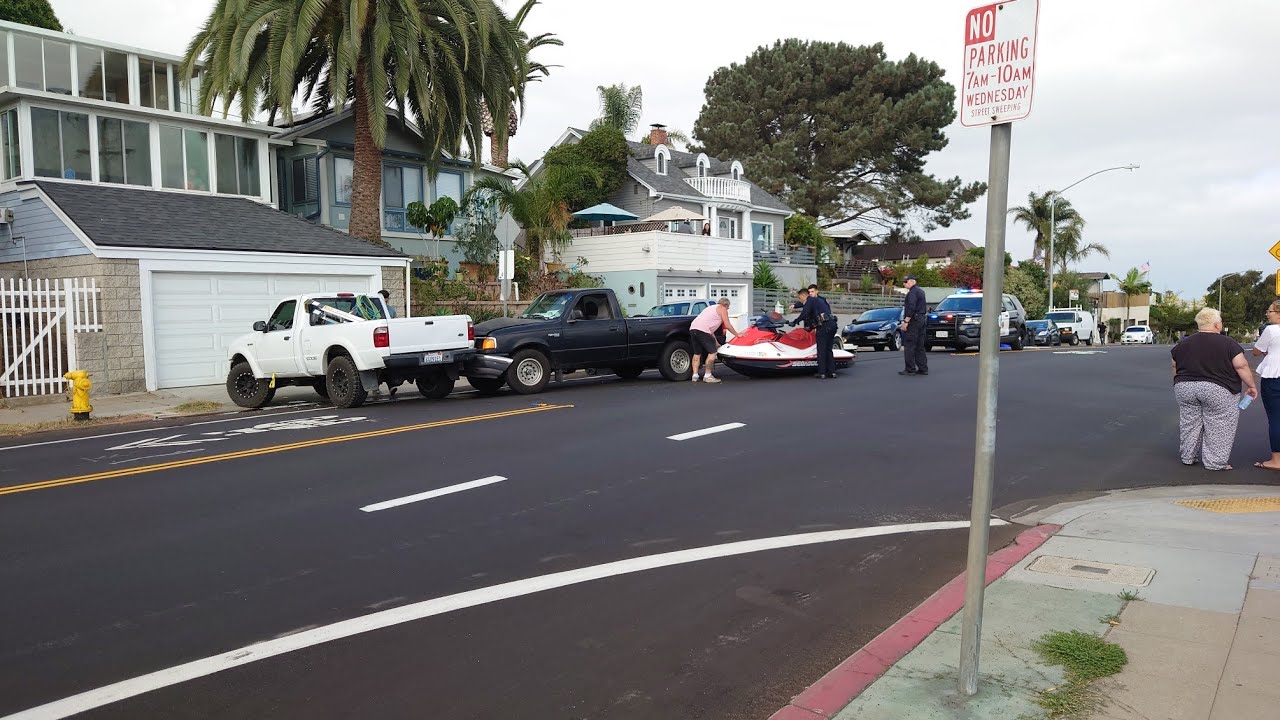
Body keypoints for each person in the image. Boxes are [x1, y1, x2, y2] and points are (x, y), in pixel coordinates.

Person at [1170, 307, 1256, 470]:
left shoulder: (1184, 343)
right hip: (1218, 388)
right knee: (1220, 423)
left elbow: (1174, 365)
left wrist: (1178, 381)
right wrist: (1251, 386)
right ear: (1217, 325)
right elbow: (1241, 366)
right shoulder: (1228, 343)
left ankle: (1188, 456)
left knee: (1190, 422)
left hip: (1185, 387)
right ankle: (1215, 462)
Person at [1251, 301, 1280, 470]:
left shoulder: (1271, 330)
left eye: (1269, 311)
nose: (1267, 314)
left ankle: (1277, 460)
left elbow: (1256, 351)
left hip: (1274, 377)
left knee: (1276, 419)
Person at [689, 297, 740, 383]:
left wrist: (716, 343)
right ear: (726, 305)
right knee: (712, 352)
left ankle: (695, 375)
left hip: (693, 329)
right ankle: (708, 376)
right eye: (728, 307)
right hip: (703, 330)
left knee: (697, 353)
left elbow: (710, 331)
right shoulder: (722, 308)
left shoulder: (710, 308)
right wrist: (737, 334)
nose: (728, 309)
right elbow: (727, 325)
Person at [792, 284, 838, 378]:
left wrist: (795, 322)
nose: (800, 300)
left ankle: (822, 373)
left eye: (800, 298)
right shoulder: (818, 301)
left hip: (824, 326)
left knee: (821, 350)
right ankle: (832, 372)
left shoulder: (810, 301)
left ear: (804, 296)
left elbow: (805, 313)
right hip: (832, 324)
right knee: (828, 349)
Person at [899, 275, 928, 376]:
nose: (904, 284)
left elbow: (911, 307)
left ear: (911, 281)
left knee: (910, 345)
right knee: (920, 345)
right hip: (922, 319)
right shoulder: (921, 291)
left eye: (905, 282)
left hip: (914, 321)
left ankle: (910, 368)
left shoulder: (912, 293)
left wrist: (906, 321)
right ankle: (923, 368)